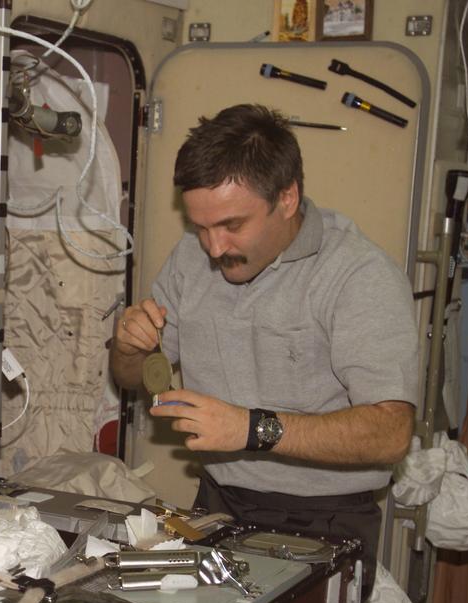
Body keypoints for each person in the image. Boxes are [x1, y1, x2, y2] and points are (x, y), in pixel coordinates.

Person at [109, 104, 419, 564]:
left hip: (327, 520)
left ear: (287, 199)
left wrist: (251, 428)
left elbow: (392, 432)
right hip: (219, 504)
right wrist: (128, 347)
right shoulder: (190, 261)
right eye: (201, 227)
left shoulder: (357, 275)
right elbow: (131, 378)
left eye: (233, 225)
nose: (215, 248)